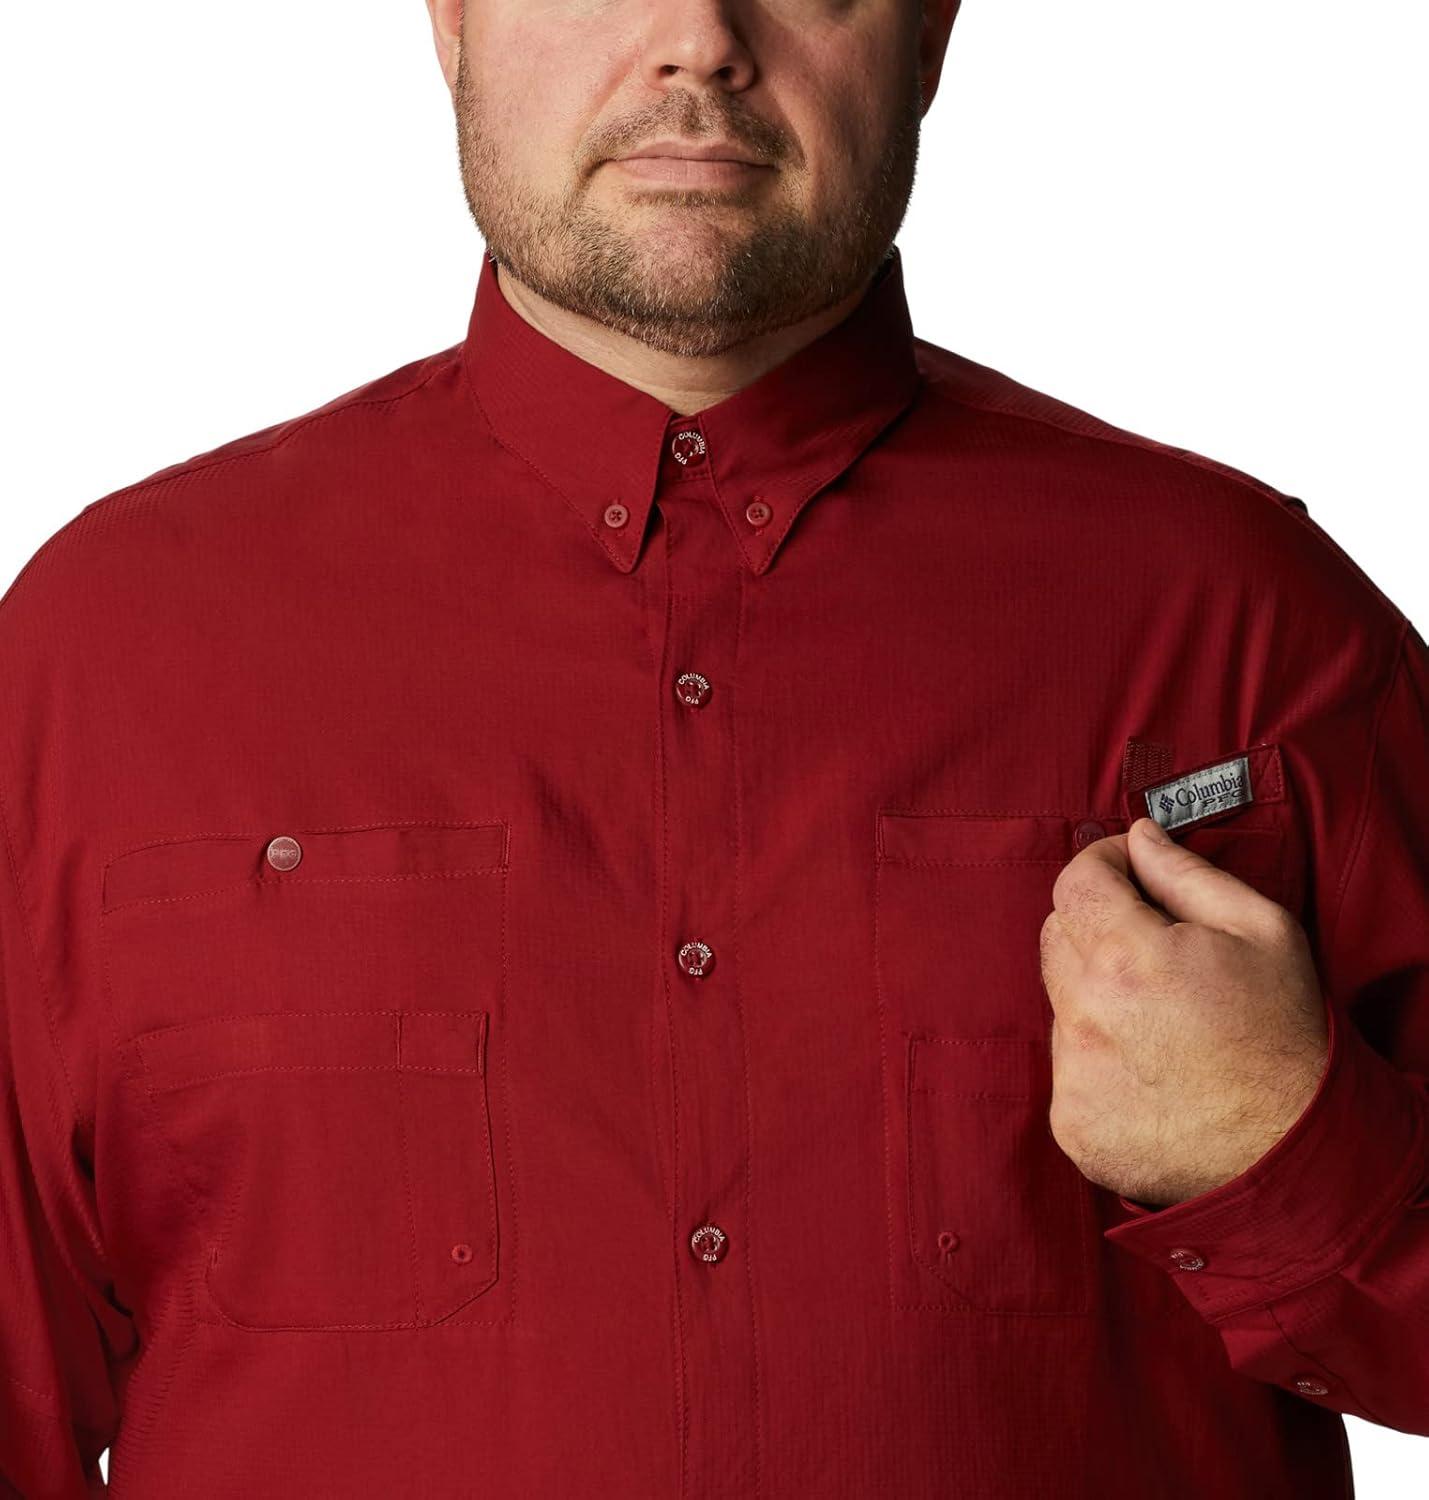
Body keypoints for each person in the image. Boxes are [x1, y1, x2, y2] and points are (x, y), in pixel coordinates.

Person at [2, 0, 1425, 1493]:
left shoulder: (1249, 625)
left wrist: (1292, 1151)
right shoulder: (109, 649)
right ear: (453, 21)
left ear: (929, 35)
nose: (698, 37)